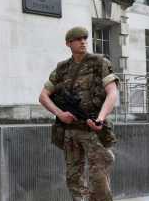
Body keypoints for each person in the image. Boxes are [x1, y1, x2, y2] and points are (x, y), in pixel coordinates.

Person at [38, 26, 119, 201]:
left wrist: (100, 118)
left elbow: (112, 93)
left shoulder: (100, 62)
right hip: (70, 131)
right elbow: (43, 96)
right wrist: (60, 114)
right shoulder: (62, 68)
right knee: (74, 178)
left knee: (99, 176)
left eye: (85, 38)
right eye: (78, 39)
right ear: (68, 43)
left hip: (93, 129)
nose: (83, 41)